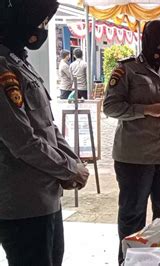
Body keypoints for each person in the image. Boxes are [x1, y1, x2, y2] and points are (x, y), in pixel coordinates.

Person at [0, 1, 90, 265]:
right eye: (39, 23)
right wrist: (69, 170)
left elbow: (48, 126)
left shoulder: (19, 62)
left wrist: (73, 163)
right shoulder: (3, 69)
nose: (42, 30)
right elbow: (23, 142)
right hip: (23, 202)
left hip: (46, 195)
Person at [102, 20, 160, 264]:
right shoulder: (127, 70)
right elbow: (110, 106)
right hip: (134, 155)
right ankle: (129, 261)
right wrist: (146, 110)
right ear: (148, 41)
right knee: (133, 214)